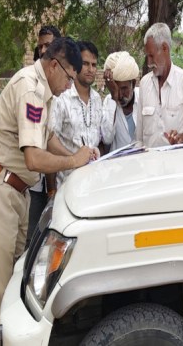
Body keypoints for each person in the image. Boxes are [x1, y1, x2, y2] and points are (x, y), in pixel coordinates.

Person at [0, 37, 96, 346]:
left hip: (16, 193)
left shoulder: (46, 90)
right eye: (69, 77)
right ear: (54, 65)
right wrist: (71, 160)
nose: (71, 86)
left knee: (15, 286)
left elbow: (48, 137)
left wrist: (77, 157)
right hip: (0, 190)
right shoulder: (31, 89)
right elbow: (33, 156)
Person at [49, 41, 111, 188]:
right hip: (66, 185)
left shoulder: (97, 99)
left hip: (93, 186)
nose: (90, 69)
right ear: (76, 65)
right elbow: (49, 143)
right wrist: (51, 191)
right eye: (85, 63)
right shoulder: (61, 97)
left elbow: (99, 142)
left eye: (94, 65)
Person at [137, 23, 183, 147]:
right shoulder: (144, 83)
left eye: (151, 56)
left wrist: (181, 137)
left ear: (165, 48)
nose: (148, 63)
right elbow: (139, 138)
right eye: (147, 56)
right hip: (149, 163)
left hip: (176, 163)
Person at [28, 24, 61, 244]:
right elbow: (38, 148)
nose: (43, 50)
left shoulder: (59, 87)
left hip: (55, 184)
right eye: (40, 46)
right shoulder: (31, 86)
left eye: (48, 45)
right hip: (32, 184)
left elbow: (50, 137)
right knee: (29, 245)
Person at [102, 51, 140, 151]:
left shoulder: (143, 97)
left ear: (134, 83)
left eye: (124, 89)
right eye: (115, 89)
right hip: (117, 164)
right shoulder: (109, 102)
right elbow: (107, 138)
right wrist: (113, 97)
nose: (120, 95)